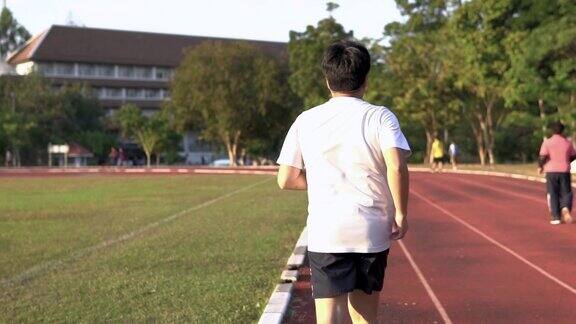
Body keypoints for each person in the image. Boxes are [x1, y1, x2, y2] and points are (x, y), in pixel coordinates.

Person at [277, 40, 410, 324]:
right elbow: (396, 166)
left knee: (329, 317)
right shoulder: (381, 117)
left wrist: (325, 180)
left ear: (328, 80)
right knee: (365, 317)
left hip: (327, 231)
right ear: (366, 79)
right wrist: (400, 212)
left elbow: (286, 178)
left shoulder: (306, 120)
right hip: (370, 229)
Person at [538, 121, 576, 225]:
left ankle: (556, 217)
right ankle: (565, 207)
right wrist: (567, 161)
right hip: (564, 170)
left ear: (552, 131)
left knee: (553, 193)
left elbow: (543, 156)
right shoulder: (567, 143)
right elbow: (573, 155)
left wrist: (540, 167)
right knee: (566, 192)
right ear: (562, 130)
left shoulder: (547, 142)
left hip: (551, 171)